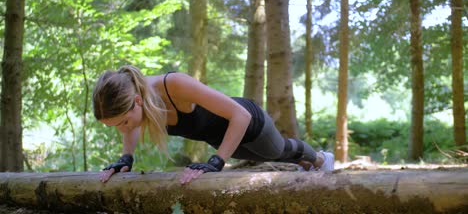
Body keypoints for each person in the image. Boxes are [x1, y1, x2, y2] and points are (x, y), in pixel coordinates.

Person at [93, 65, 334, 184]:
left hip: (247, 122)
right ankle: (305, 164)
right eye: (115, 126)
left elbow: (240, 115)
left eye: (123, 122)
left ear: (137, 101)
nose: (124, 129)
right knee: (267, 157)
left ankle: (321, 160)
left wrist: (216, 162)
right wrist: (126, 158)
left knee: (277, 150)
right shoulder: (137, 101)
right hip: (221, 138)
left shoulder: (173, 85)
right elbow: (132, 126)